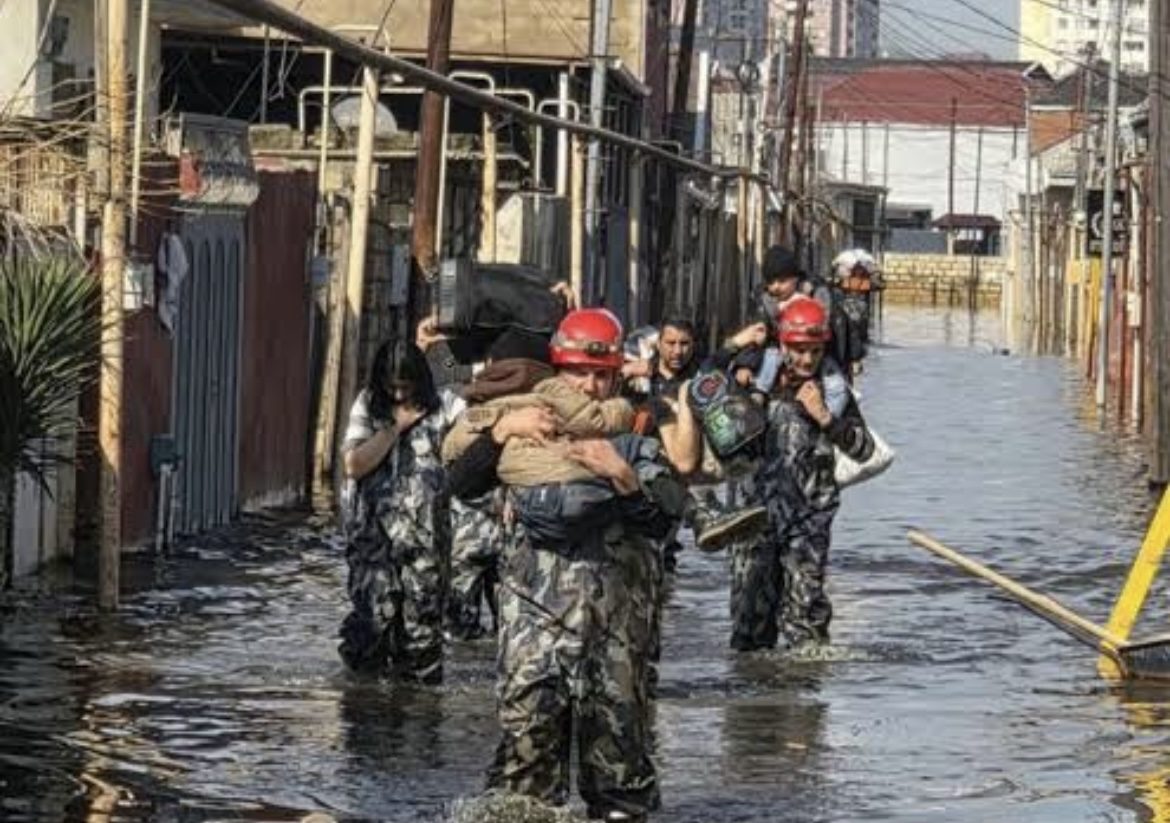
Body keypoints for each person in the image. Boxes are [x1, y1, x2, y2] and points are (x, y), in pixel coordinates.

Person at [449, 308, 684, 823]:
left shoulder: (639, 424)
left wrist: (621, 476)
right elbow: (461, 482)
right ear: (559, 371)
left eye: (603, 375)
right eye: (581, 373)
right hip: (534, 625)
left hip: (617, 629)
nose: (593, 387)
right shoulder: (528, 421)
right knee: (524, 767)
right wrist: (500, 431)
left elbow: (665, 520)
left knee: (619, 773)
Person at [736, 295, 875, 652]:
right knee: (750, 621)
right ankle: (752, 703)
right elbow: (726, 442)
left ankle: (804, 700)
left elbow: (864, 449)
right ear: (782, 345)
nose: (807, 360)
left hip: (809, 519)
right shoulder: (758, 382)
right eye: (799, 350)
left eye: (814, 351)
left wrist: (826, 419)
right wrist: (750, 397)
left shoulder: (833, 391)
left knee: (805, 617)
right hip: (755, 516)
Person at [338, 339, 462, 682]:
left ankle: (418, 718)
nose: (397, 395)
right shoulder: (367, 406)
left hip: (426, 548)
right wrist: (395, 428)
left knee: (422, 635)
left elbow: (475, 431)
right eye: (391, 387)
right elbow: (354, 464)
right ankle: (365, 715)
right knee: (370, 627)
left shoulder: (445, 408)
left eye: (404, 388)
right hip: (373, 544)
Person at [830, 249, 884, 378]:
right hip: (846, 312)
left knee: (856, 336)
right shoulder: (842, 278)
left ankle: (853, 360)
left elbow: (879, 284)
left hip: (857, 312)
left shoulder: (863, 277)